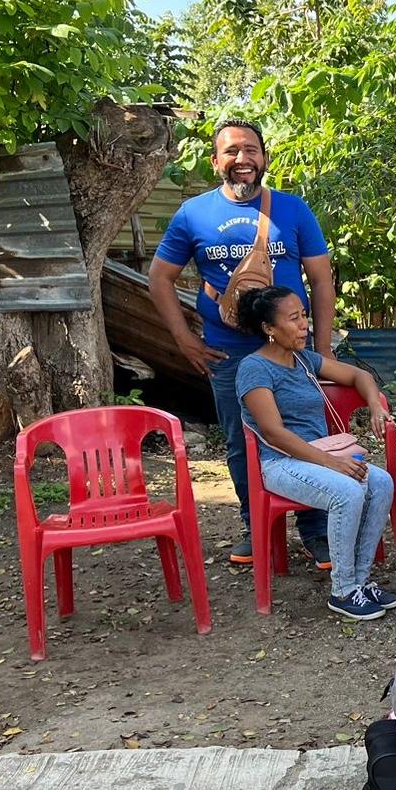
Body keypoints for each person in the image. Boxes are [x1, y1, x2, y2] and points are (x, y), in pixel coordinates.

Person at [148, 119, 337, 569]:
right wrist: (183, 340)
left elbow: (322, 281)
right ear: (216, 162)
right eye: (231, 151)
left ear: (265, 159)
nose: (242, 159)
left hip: (293, 352)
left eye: (251, 150)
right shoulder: (193, 214)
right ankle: (257, 525)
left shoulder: (292, 210)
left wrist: (322, 352)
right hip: (226, 352)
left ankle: (316, 530)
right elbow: (159, 278)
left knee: (307, 433)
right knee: (241, 441)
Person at [234, 286, 396, 622]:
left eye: (304, 316)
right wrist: (333, 464)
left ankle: (360, 582)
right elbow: (272, 432)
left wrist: (373, 406)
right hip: (279, 463)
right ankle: (342, 591)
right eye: (293, 319)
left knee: (381, 483)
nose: (303, 325)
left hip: (320, 458)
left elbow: (359, 374)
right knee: (348, 491)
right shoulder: (253, 369)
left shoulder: (305, 360)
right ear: (269, 328)